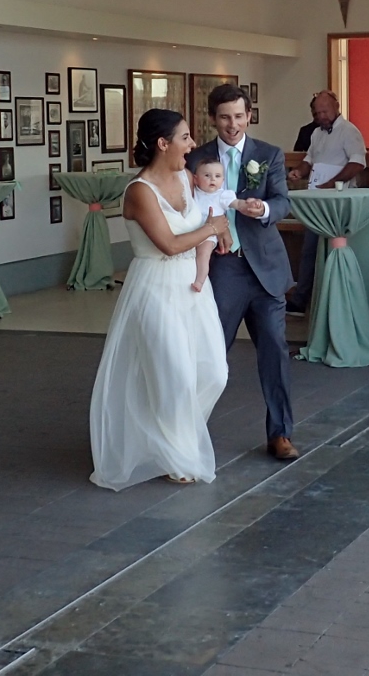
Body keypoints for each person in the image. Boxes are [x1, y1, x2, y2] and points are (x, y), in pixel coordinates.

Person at [89, 108, 229, 491]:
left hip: (193, 287)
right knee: (174, 376)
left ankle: (167, 439)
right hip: (155, 287)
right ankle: (177, 453)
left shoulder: (186, 177)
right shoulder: (139, 191)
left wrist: (220, 229)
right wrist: (209, 228)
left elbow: (209, 215)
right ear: (163, 143)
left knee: (215, 372)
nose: (192, 144)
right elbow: (167, 244)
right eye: (185, 137)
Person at [187, 83, 298, 461]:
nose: (232, 124)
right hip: (221, 266)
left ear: (249, 115)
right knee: (212, 351)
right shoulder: (195, 157)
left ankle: (280, 433)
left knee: (275, 352)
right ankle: (189, 429)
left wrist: (263, 210)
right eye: (224, 117)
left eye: (238, 116)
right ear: (213, 119)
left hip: (265, 267)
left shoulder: (268, 154)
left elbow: (283, 201)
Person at [286, 90, 367, 316]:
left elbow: (358, 164)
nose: (321, 116)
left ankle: (333, 303)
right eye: (317, 112)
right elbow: (309, 160)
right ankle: (302, 299)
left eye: (325, 111)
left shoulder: (349, 132)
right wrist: (298, 172)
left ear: (336, 107)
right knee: (309, 249)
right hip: (317, 198)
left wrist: (332, 183)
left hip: (338, 201)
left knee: (333, 250)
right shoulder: (316, 134)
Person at [192, 157, 258, 292]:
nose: (212, 179)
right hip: (192, 230)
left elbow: (237, 204)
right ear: (195, 178)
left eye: (217, 176)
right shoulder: (194, 193)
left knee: (203, 255)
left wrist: (248, 204)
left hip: (209, 233)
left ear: (222, 180)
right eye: (207, 176)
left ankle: (199, 281)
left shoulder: (222, 195)